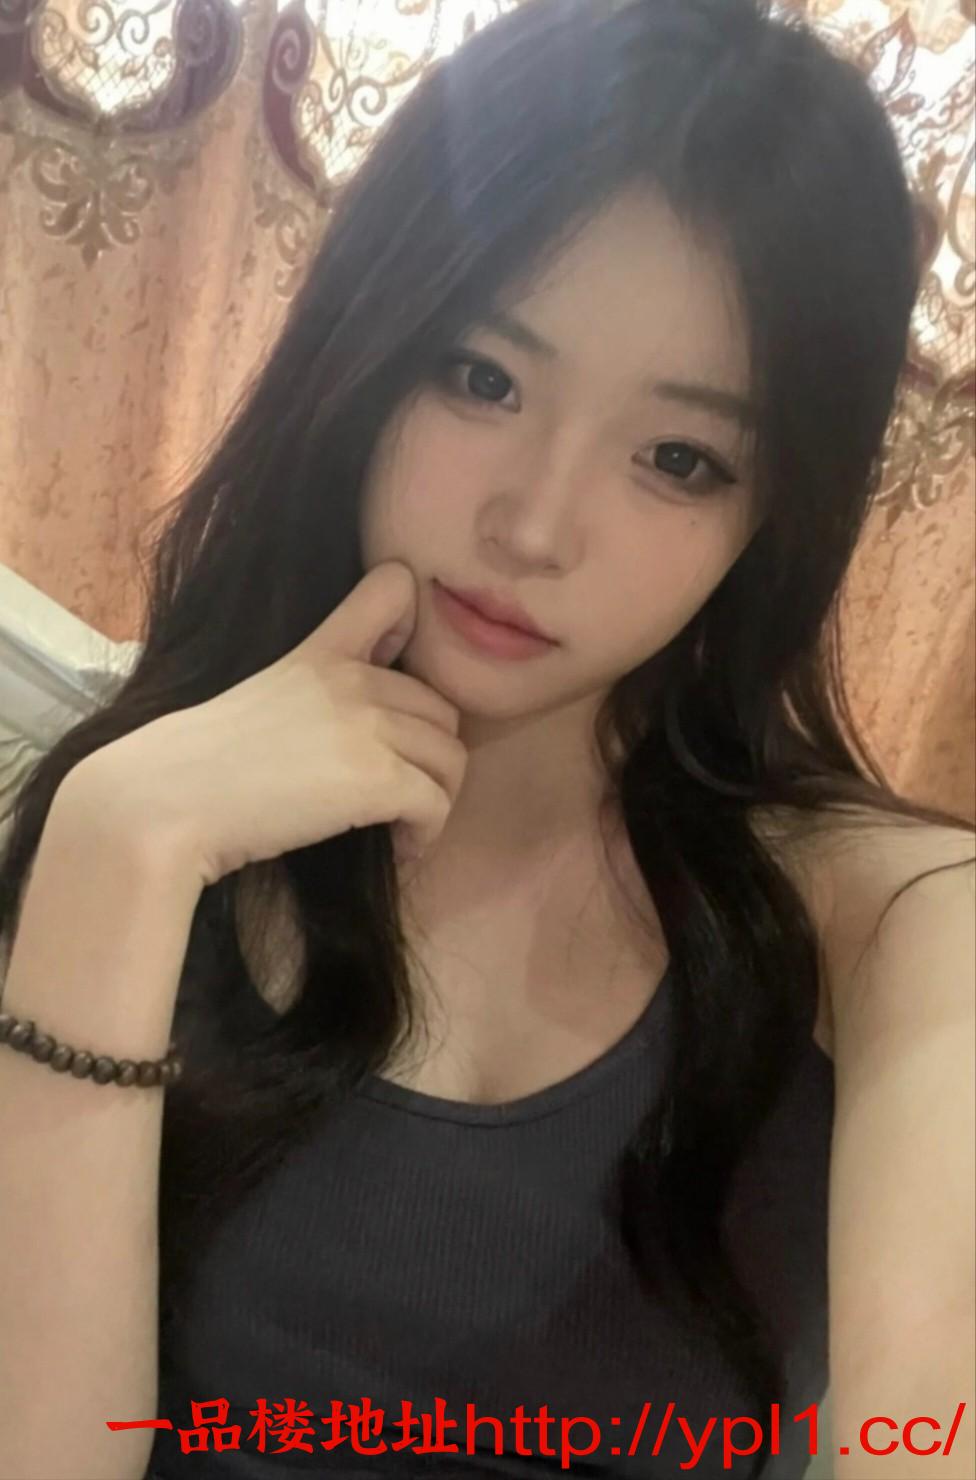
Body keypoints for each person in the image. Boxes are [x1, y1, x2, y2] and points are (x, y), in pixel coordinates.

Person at [0, 0, 973, 1476]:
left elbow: (925, 1416)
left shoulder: (886, 924)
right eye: (484, 377)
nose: (534, 524)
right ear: (367, 349)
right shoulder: (153, 819)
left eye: (677, 458)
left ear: (772, 517)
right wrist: (114, 853)